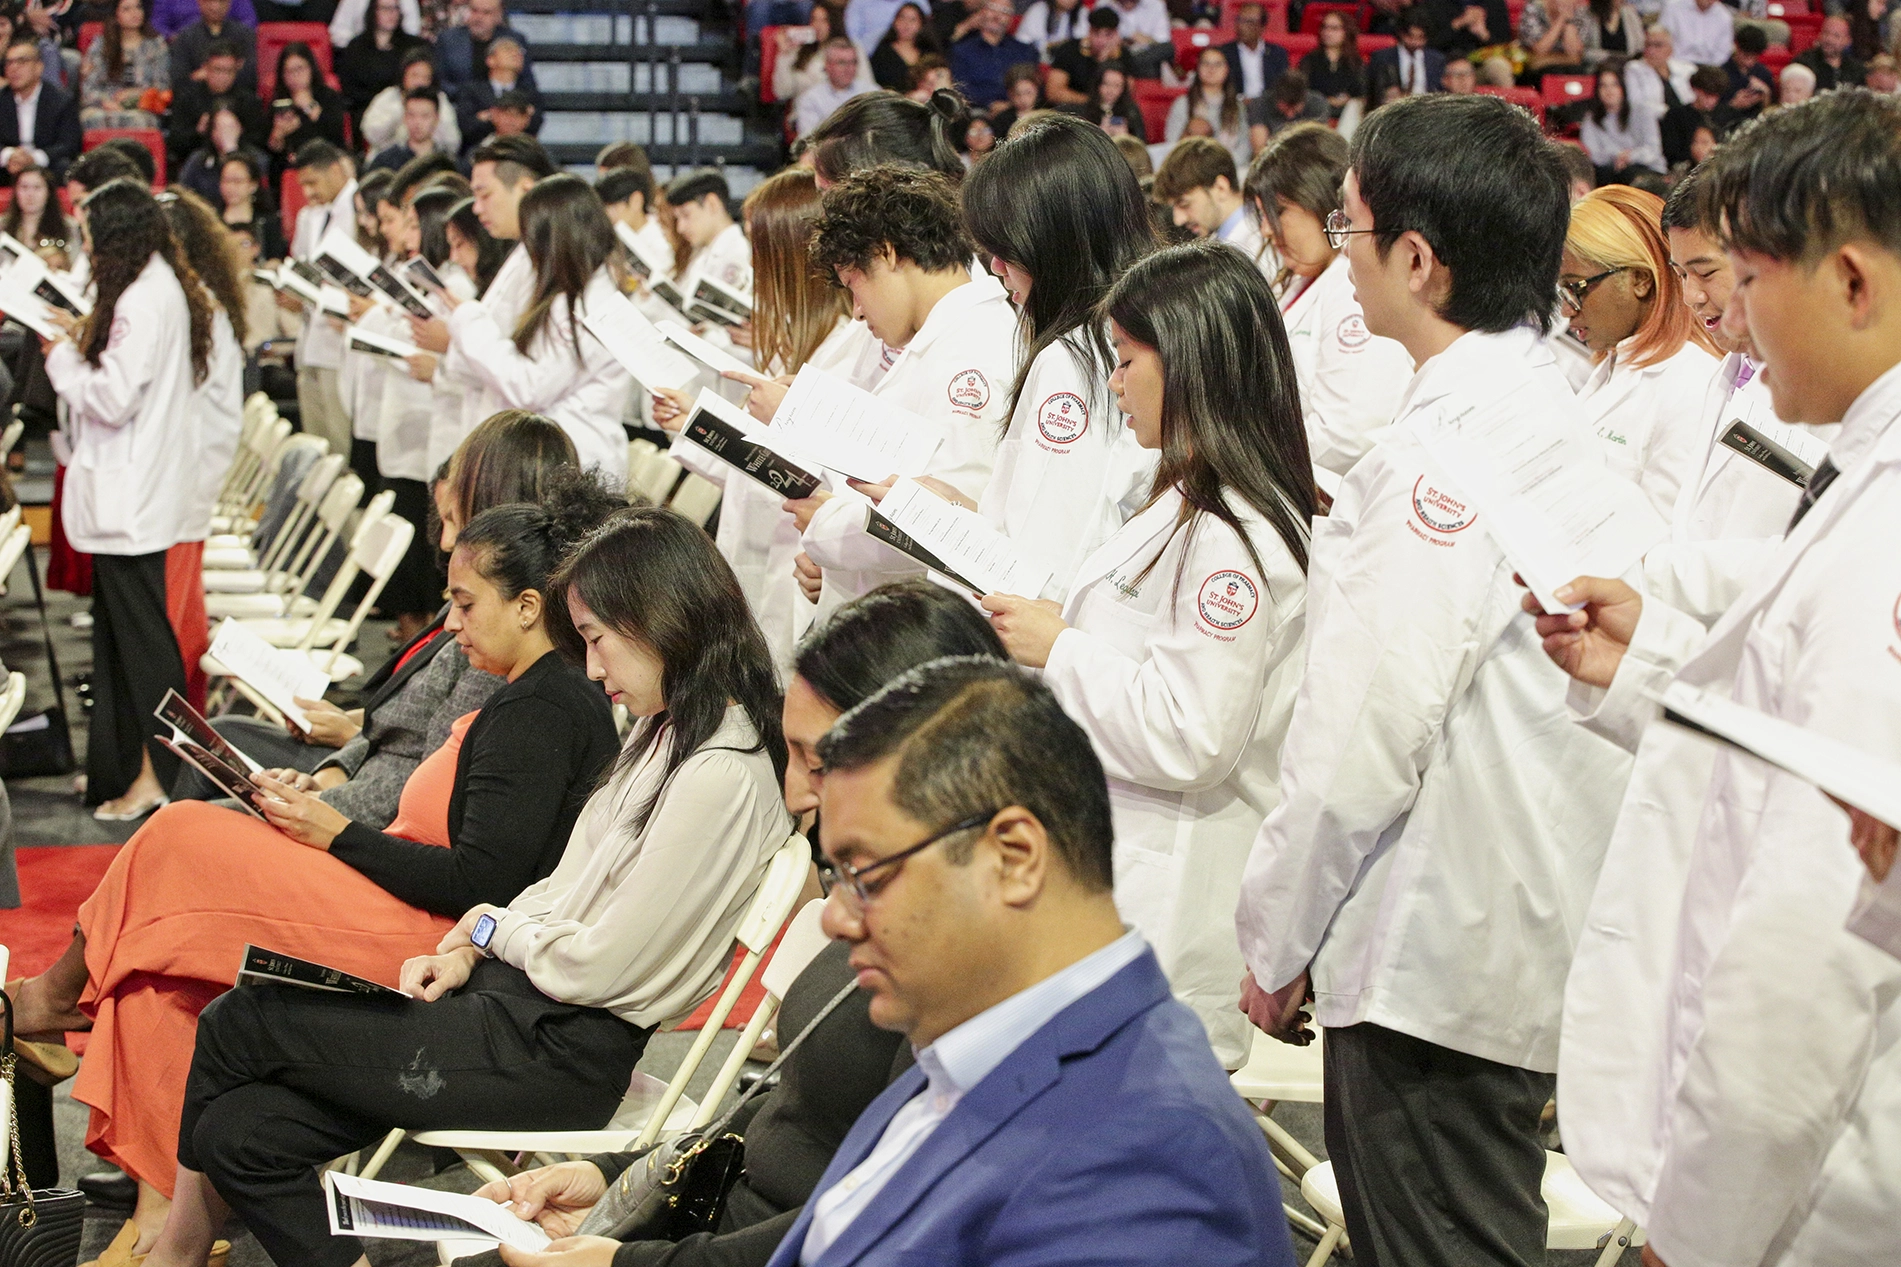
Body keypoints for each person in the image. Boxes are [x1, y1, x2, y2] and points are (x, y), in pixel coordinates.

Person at [138, 507, 789, 1267]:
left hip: (555, 1053)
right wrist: (473, 944)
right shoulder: (667, 730)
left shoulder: (717, 771)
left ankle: (172, 1257)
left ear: (657, 621)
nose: (591, 667)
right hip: (516, 1013)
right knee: (240, 1134)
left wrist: (489, 929)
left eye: (595, 639)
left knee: (240, 1019)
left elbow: (596, 965)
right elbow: (560, 890)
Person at [15, 477, 619, 1260]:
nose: (451, 624)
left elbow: (476, 882)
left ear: (528, 607)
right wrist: (334, 817)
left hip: (430, 938)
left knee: (178, 839)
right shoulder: (528, 693)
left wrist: (337, 834)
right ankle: (160, 1223)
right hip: (406, 901)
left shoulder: (539, 707)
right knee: (162, 969)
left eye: (465, 604)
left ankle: (52, 1005)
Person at [1235, 94, 1633, 1267]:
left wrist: (1274, 936)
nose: (1344, 258)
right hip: (1508, 931)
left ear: (1417, 259)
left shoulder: (1434, 455)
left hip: (1432, 964)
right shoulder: (1551, 408)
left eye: (1351, 230)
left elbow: (1361, 737)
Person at [1542, 91, 1901, 1267]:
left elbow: (1814, 939)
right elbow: (1777, 707)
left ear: (1848, 280)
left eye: (1744, 279)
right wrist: (1649, 662)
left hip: (1819, 1189)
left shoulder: (1885, 526)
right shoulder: (1865, 469)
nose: (1729, 317)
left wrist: (1695, 1231)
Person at [450, 580, 1009, 1267]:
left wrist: (624, 1260)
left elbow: (866, 1228)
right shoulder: (887, 908)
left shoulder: (971, 974)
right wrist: (620, 1176)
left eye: (817, 761)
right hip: (707, 1222)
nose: (796, 793)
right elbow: (783, 1109)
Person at [761, 655, 1296, 1267]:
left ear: (1013, 857)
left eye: (865, 873)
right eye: (836, 873)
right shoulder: (980, 1048)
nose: (834, 917)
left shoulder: (1146, 1156)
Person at [983, 239, 1312, 1070]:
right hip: (1119, 869)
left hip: (1170, 898)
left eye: (1128, 359)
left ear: (1192, 362)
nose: (1115, 382)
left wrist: (1060, 649)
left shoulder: (1231, 536)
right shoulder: (1181, 497)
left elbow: (1192, 733)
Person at [36, 180, 205, 826]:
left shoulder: (142, 297)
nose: (85, 249)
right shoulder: (154, 287)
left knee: (142, 647)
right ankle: (117, 765)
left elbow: (110, 398)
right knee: (116, 640)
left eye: (89, 237)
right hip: (133, 491)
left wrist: (60, 359)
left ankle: (159, 775)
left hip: (134, 496)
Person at [790, 165, 1016, 617]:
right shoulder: (943, 339)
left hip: (924, 618)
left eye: (854, 285)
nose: (856, 310)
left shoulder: (974, 353)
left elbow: (950, 518)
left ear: (887, 253)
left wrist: (827, 526)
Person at [950, 113, 1155, 599]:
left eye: (1006, 250)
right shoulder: (1133, 331)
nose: (995, 268)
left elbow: (1043, 565)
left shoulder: (1076, 358)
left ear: (1054, 244)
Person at [1639, 166, 1825, 625]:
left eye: (1705, 273)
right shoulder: (1730, 370)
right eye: (1680, 274)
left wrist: (1659, 573)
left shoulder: (1827, 387)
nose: (1691, 296)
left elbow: (1826, 551)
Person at [1244, 123, 1412, 479]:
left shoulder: (1353, 286)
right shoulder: (1302, 278)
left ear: (1320, 200)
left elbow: (1348, 433)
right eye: (1262, 215)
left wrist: (1248, 461)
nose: (1266, 230)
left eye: (1279, 211)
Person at [439, 174, 632, 479]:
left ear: (555, 239)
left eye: (531, 240)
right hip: (551, 460)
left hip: (576, 463)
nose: (529, 253)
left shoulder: (593, 305)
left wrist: (470, 321)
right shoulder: (574, 295)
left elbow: (530, 387)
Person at [1562, 184, 1720, 516]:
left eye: (1576, 288)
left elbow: (1665, 530)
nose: (1566, 310)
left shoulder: (1693, 387)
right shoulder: (1612, 366)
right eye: (1562, 292)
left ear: (1640, 279)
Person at [407, 134, 558, 442]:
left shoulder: (550, 261)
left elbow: (528, 379)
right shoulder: (523, 254)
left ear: (525, 188)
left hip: (530, 439)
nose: (476, 208)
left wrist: (457, 336)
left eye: (485, 195)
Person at [286, 140, 358, 455]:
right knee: (315, 437)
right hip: (310, 336)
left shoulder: (360, 207)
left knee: (338, 438)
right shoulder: (309, 216)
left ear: (336, 170)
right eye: (303, 185)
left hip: (340, 337)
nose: (308, 192)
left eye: (313, 183)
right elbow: (301, 263)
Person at [1153, 136, 1269, 272]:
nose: (1178, 220)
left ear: (1221, 188)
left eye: (1184, 204)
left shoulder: (1259, 245)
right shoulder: (1222, 242)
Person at [165, 40, 265, 174]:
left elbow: (259, 139)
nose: (223, 77)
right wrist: (198, 132)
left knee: (260, 160)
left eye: (229, 71)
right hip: (199, 153)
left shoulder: (248, 99)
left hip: (241, 155)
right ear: (205, 68)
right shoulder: (188, 97)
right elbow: (175, 142)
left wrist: (237, 133)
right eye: (217, 70)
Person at [263, 43, 349, 184]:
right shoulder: (279, 103)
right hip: (290, 164)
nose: (295, 76)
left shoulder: (329, 96)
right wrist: (278, 135)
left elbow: (335, 134)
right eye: (288, 71)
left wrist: (309, 106)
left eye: (299, 69)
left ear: (311, 68)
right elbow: (272, 149)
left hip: (325, 157)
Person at [79, 0, 168, 130]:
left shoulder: (156, 45)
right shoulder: (101, 45)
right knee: (91, 119)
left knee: (138, 120)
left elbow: (162, 86)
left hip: (142, 106)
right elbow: (89, 87)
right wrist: (106, 102)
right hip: (104, 105)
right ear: (116, 16)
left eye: (138, 7)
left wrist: (136, 94)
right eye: (127, 9)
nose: (135, 13)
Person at [0, 34, 76, 185]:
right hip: (8, 166)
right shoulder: (2, 99)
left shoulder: (61, 100)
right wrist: (9, 155)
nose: (14, 68)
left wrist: (34, 159)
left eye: (22, 61)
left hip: (46, 165)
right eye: (9, 63)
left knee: (64, 167)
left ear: (39, 67)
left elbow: (69, 143)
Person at [1167, 46, 1251, 174]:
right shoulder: (1183, 103)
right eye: (1206, 63)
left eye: (1217, 64)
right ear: (1198, 68)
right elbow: (1172, 143)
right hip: (1191, 171)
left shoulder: (1237, 106)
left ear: (1227, 69)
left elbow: (1244, 147)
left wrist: (1221, 166)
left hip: (1229, 169)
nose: (1211, 69)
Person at [361, 46, 459, 155]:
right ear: (404, 76)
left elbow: (452, 142)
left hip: (428, 156)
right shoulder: (389, 97)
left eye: (425, 77)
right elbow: (371, 134)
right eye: (414, 75)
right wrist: (402, 109)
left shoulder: (440, 100)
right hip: (388, 157)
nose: (419, 83)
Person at [337, 0, 426, 120]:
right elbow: (350, 88)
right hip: (366, 111)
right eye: (385, 8)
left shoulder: (414, 46)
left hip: (406, 110)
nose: (391, 13)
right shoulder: (356, 47)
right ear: (373, 12)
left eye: (395, 8)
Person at [455, 33, 544, 151]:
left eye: (519, 52)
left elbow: (535, 124)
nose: (515, 54)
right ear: (490, 60)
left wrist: (488, 116)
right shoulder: (472, 90)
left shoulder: (529, 92)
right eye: (507, 49)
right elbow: (468, 127)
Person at [1581, 60, 1665, 182]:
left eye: (1614, 85)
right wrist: (1617, 156)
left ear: (1623, 87)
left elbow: (1653, 151)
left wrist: (1629, 156)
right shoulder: (1591, 118)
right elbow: (1593, 153)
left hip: (1646, 168)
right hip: (1611, 169)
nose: (1609, 91)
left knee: (1629, 174)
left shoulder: (1642, 112)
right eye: (1603, 86)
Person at [948, 0, 1036, 113]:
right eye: (992, 8)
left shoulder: (1024, 51)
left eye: (1004, 11)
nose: (997, 16)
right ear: (981, 12)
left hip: (1020, 108)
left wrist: (1013, 104)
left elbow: (1034, 85)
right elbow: (960, 88)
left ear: (1011, 18)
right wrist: (990, 104)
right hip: (977, 111)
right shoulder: (962, 50)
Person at [437, 0, 536, 96]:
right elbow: (440, 81)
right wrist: (468, 96)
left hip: (504, 101)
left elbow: (526, 82)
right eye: (474, 10)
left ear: (499, 16)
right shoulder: (448, 40)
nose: (478, 18)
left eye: (486, 13)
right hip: (457, 100)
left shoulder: (514, 39)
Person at [177, 104, 269, 206]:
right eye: (219, 127)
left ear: (240, 128)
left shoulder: (257, 158)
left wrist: (231, 151)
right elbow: (183, 191)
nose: (224, 133)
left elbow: (260, 192)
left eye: (230, 127)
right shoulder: (198, 159)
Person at [167, 0, 256, 96]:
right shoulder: (186, 37)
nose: (215, 7)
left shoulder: (245, 35)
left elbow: (251, 74)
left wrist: (215, 75)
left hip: (238, 98)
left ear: (229, 3)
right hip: (196, 98)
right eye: (209, 1)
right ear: (199, 2)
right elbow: (179, 79)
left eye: (221, 2)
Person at [1043, 6, 1126, 106]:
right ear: (1089, 31)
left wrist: (1106, 61)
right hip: (1072, 109)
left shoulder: (1123, 55)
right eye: (1096, 33)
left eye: (1108, 35)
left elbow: (1126, 95)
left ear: (1116, 34)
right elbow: (1053, 93)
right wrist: (1092, 102)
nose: (1102, 41)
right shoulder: (1069, 50)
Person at [794, 36, 875, 136]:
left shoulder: (871, 93)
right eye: (842, 63)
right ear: (827, 65)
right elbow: (808, 138)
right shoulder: (811, 99)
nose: (849, 68)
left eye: (853, 62)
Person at [213, 151, 283, 259]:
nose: (231, 187)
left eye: (238, 181)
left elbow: (275, 258)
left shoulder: (267, 221)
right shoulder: (212, 219)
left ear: (253, 185)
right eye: (226, 181)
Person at [0, 161, 71, 267]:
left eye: (37, 187)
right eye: (24, 187)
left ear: (49, 192)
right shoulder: (2, 226)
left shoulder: (68, 227)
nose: (30, 194)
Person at [1659, 65, 1730, 166]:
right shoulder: (1676, 116)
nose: (1712, 100)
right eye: (1707, 94)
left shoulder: (1727, 114)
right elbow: (1671, 152)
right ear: (1695, 89)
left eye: (1716, 96)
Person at [1299, 12, 1365, 119]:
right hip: (1317, 112)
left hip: (1348, 112)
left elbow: (1362, 93)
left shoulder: (1356, 62)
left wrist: (1347, 100)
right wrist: (1327, 100)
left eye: (1334, 28)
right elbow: (1303, 92)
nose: (1327, 32)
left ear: (1346, 31)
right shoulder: (1310, 60)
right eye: (1324, 27)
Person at [1365, 10, 1443, 98]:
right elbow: (1373, 89)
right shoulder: (1382, 58)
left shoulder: (1436, 60)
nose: (1415, 42)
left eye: (1420, 38)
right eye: (1411, 37)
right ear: (1402, 34)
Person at [1222, 2, 1289, 101]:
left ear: (1262, 27)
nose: (1241, 26)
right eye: (1239, 20)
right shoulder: (1223, 53)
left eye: (1249, 22)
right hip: (1235, 105)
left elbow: (1283, 87)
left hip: (1269, 106)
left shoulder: (1277, 53)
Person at [869, 1, 941, 91]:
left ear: (921, 24)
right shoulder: (882, 53)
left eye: (912, 20)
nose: (906, 24)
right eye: (902, 18)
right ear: (894, 22)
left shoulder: (929, 52)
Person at [367, 85, 442, 169]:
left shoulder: (445, 162)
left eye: (425, 116)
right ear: (404, 117)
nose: (417, 122)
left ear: (436, 119)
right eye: (411, 115)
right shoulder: (384, 162)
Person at [1250, 69, 1330, 141]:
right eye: (1285, 109)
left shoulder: (1318, 104)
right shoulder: (1260, 104)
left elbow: (1318, 144)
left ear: (1304, 100)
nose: (1290, 116)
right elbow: (1260, 147)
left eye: (1295, 110)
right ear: (1276, 98)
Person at [1795, 12, 1866, 90]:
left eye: (1836, 36)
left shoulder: (1857, 70)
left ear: (1848, 40)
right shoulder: (1804, 63)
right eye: (1826, 33)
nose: (1829, 39)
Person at [1078, 62, 1144, 140]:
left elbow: (1141, 142)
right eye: (1106, 84)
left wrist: (1126, 138)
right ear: (1097, 85)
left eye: (1117, 85)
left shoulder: (1131, 111)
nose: (1111, 90)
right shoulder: (1084, 111)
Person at [1658, 0, 1733, 66]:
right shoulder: (1673, 8)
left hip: (1709, 66)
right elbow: (1662, 39)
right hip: (1676, 62)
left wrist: (1712, 66)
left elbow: (1723, 51)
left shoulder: (1724, 16)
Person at [986, 62, 1041, 138]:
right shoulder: (1002, 120)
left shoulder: (1048, 112)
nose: (1023, 99)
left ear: (1037, 89)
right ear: (1009, 94)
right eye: (1017, 94)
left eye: (1028, 93)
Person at [1014, 0, 1083, 58]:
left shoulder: (1082, 12)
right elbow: (1029, 44)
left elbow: (1081, 42)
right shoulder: (1038, 9)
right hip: (1032, 57)